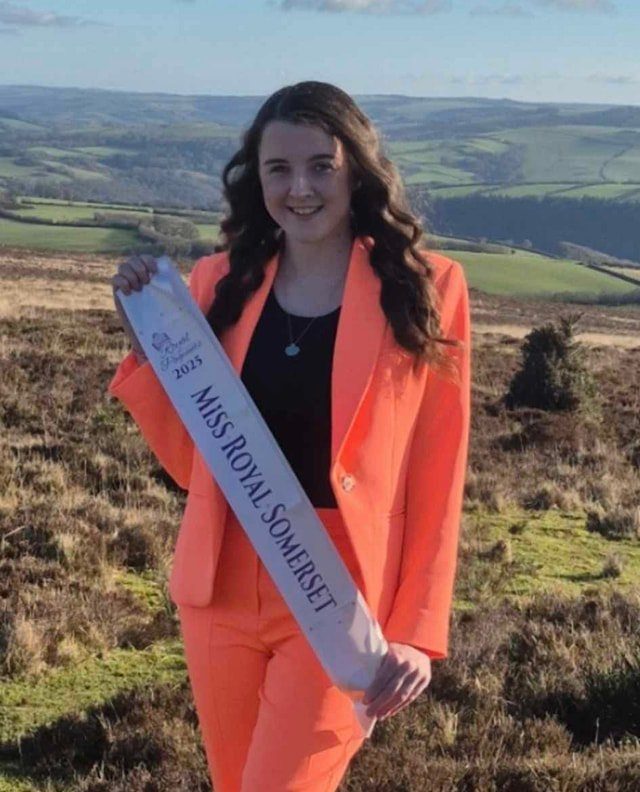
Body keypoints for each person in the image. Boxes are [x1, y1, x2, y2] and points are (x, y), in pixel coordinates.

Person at [108, 80, 471, 792]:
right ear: (258, 178)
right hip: (220, 590)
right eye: (279, 169)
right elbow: (193, 464)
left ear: (356, 170)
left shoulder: (427, 288)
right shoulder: (217, 283)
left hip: (340, 593)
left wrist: (416, 631)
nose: (299, 188)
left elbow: (438, 469)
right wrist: (147, 346)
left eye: (320, 166)